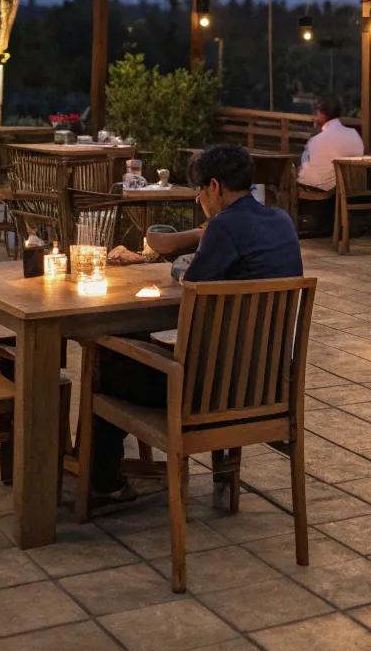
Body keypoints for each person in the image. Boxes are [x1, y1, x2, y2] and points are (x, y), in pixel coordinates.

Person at [92, 144, 303, 501]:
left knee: (106, 364)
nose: (198, 200)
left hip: (210, 393)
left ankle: (102, 485)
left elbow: (191, 286)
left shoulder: (224, 227)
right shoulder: (281, 220)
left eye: (200, 191)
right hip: (267, 386)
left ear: (215, 186)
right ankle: (220, 469)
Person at [296, 95, 363, 193]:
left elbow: (305, 174)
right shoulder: (354, 134)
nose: (314, 117)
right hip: (349, 190)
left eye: (316, 113)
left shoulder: (317, 140)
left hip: (319, 190)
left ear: (322, 115)